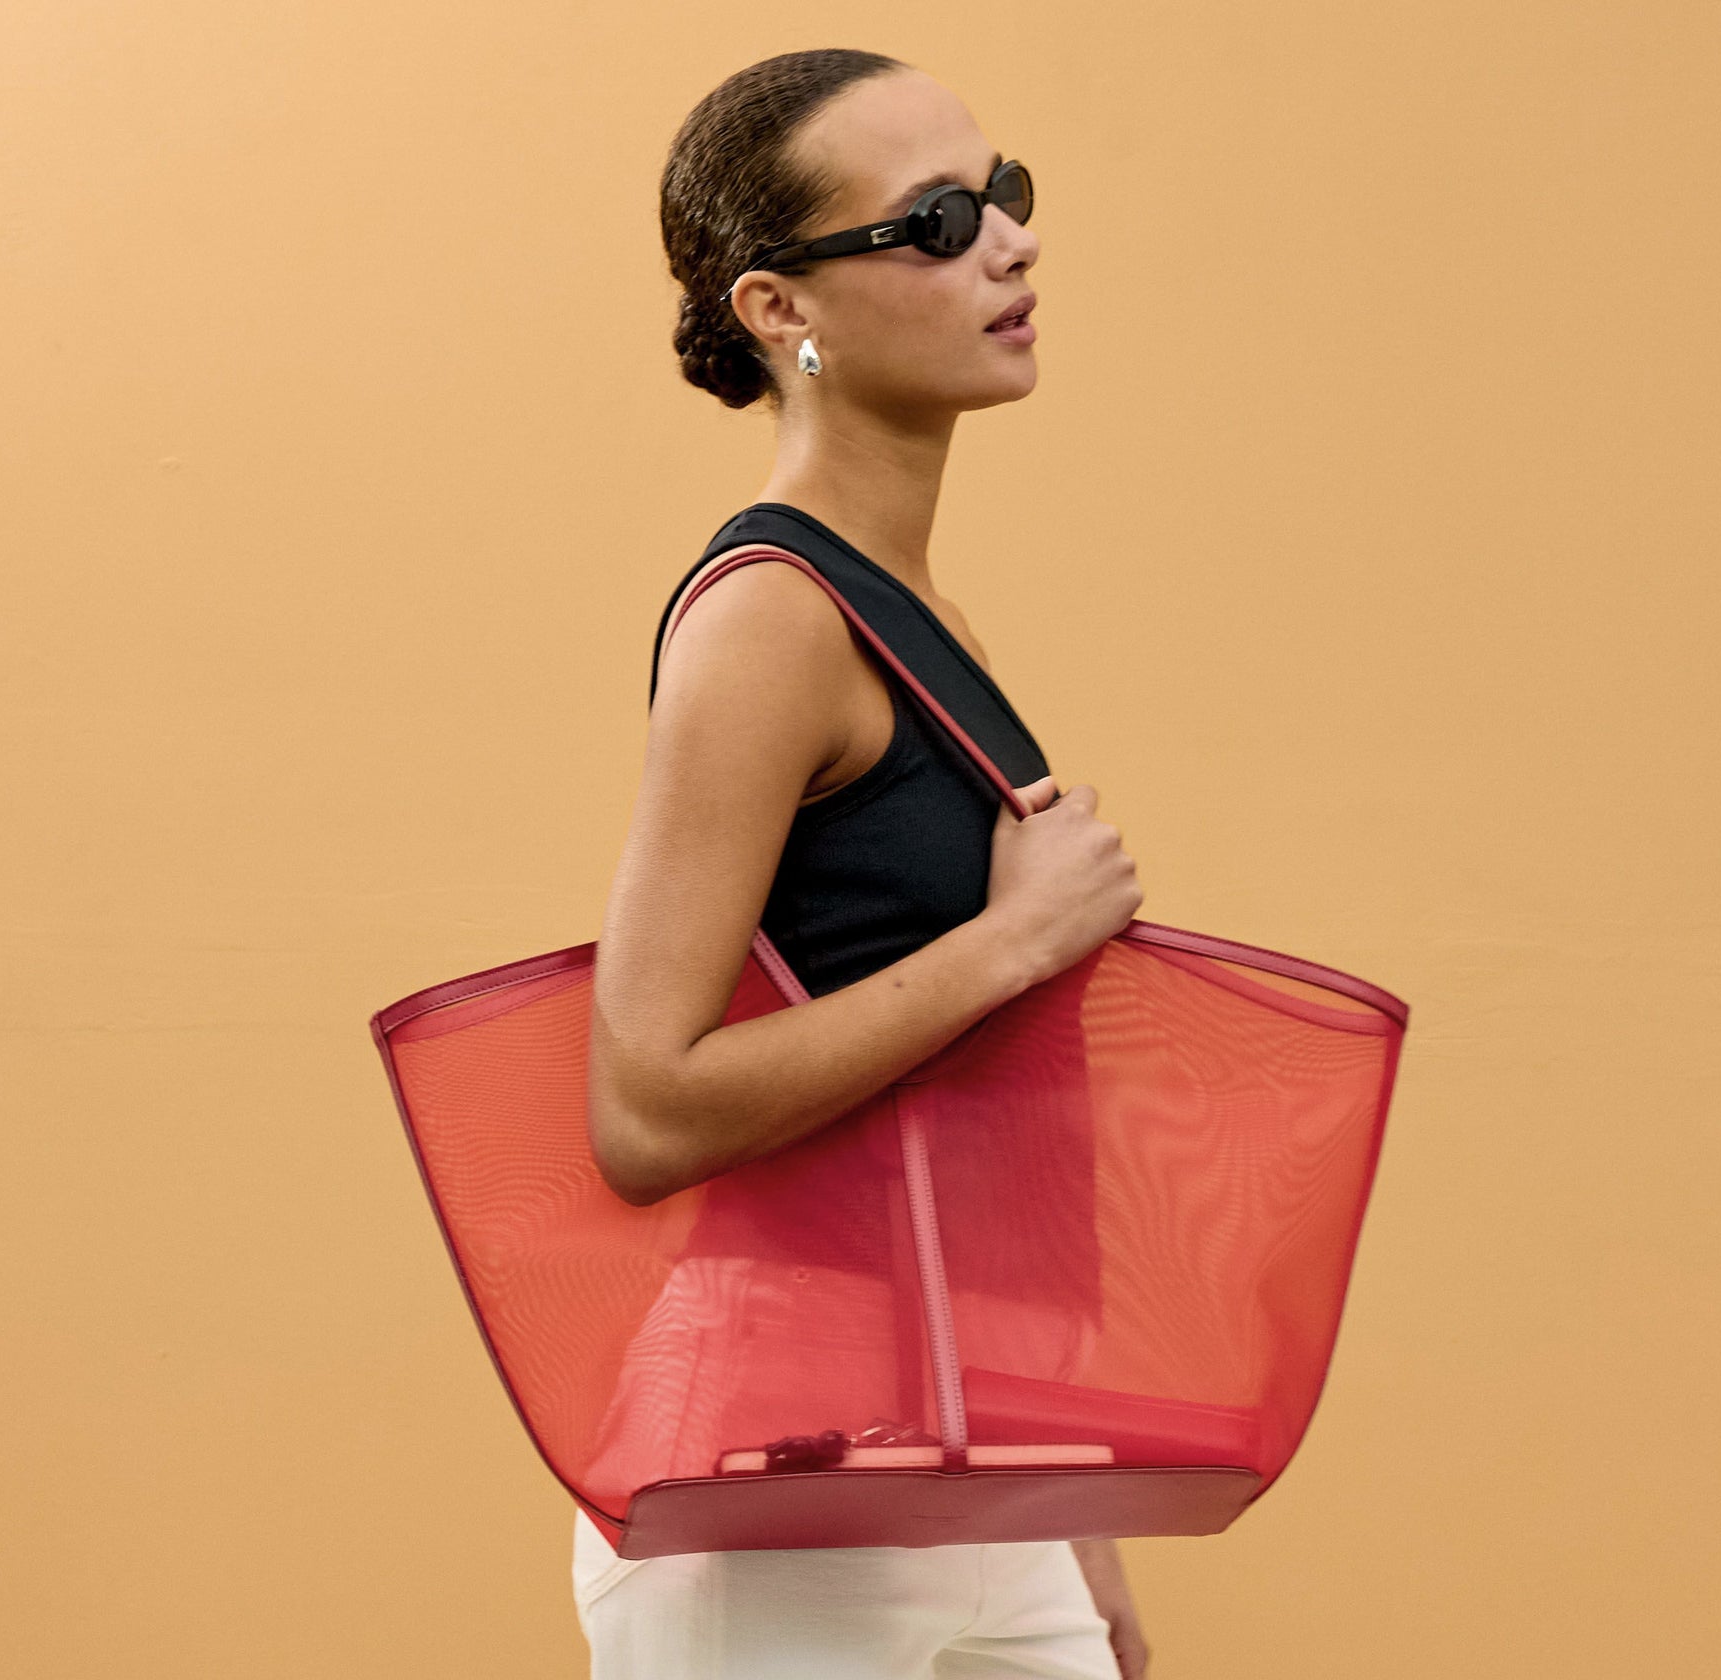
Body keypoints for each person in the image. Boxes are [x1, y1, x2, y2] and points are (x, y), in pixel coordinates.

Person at [578, 49, 1151, 1680]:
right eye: (936, 220)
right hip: (773, 1469)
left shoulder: (913, 619)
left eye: (1003, 193)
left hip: (969, 1460)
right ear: (780, 311)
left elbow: (975, 1128)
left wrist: (1071, 1519)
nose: (1010, 242)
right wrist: (1009, 942)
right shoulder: (770, 618)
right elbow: (643, 1108)